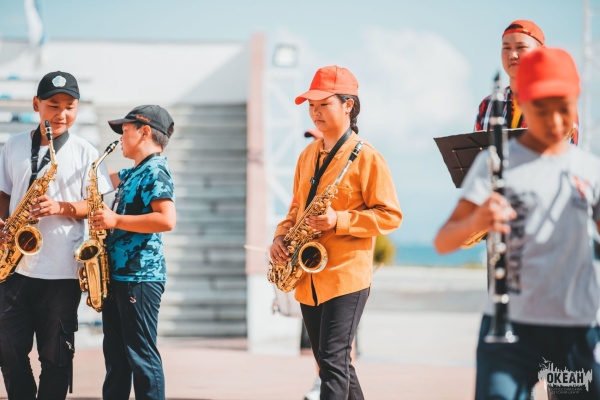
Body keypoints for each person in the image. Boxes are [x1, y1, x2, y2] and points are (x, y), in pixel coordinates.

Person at [434, 47, 600, 399]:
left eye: (563, 108)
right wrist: (478, 219)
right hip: (508, 328)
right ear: (522, 101)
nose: (555, 121)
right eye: (541, 108)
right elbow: (444, 241)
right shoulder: (494, 164)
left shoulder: (590, 171)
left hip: (573, 326)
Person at [270, 65, 402, 400]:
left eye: (324, 104)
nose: (315, 112)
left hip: (346, 276)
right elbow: (295, 209)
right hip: (309, 278)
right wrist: (280, 237)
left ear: (348, 105)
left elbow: (390, 216)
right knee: (334, 363)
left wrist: (338, 220)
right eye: (311, 105)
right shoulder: (307, 155)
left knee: (332, 362)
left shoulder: (367, 157)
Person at [0, 71, 112, 399]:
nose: (62, 113)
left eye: (69, 106)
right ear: (36, 104)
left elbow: (96, 207)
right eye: (53, 105)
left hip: (62, 271)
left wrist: (59, 207)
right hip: (14, 268)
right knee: (8, 349)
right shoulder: (13, 145)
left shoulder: (86, 151)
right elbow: (3, 193)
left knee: (57, 356)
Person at [92, 105, 176, 400]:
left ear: (144, 132)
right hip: (121, 276)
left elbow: (166, 219)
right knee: (117, 359)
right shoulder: (135, 171)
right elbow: (105, 177)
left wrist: (115, 220)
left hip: (140, 277)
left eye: (125, 130)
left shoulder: (155, 170)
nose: (121, 138)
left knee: (141, 357)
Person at [474, 19, 579, 145]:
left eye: (521, 47)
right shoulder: (488, 105)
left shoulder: (557, 104)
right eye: (506, 48)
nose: (512, 55)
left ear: (541, 52)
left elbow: (562, 154)